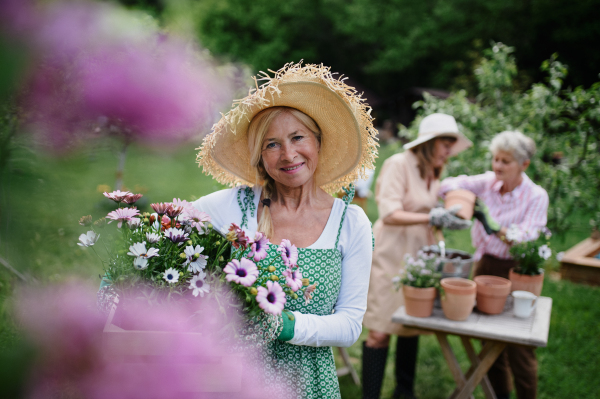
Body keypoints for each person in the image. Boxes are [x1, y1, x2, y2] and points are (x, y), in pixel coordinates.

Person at [193, 63, 377, 399]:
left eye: (297, 137)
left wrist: (286, 325)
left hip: (308, 384)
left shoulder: (349, 223)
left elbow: (350, 325)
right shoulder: (232, 207)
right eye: (272, 144)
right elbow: (166, 229)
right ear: (260, 157)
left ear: (318, 143)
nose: (288, 154)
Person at [362, 113, 472, 399]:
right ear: (429, 143)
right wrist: (431, 216)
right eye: (445, 144)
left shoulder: (433, 171)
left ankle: (404, 392)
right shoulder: (398, 164)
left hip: (418, 255)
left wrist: (444, 219)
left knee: (411, 324)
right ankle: (370, 395)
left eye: (451, 145)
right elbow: (389, 213)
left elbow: (425, 213)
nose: (449, 151)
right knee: (380, 329)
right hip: (390, 253)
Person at [439, 131, 548, 399]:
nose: (497, 166)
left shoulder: (536, 195)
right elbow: (447, 185)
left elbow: (527, 238)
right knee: (488, 339)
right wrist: (461, 200)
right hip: (486, 265)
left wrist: (496, 228)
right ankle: (498, 395)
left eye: (506, 161)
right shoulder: (488, 182)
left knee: (520, 344)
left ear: (524, 164)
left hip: (518, 270)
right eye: (496, 159)